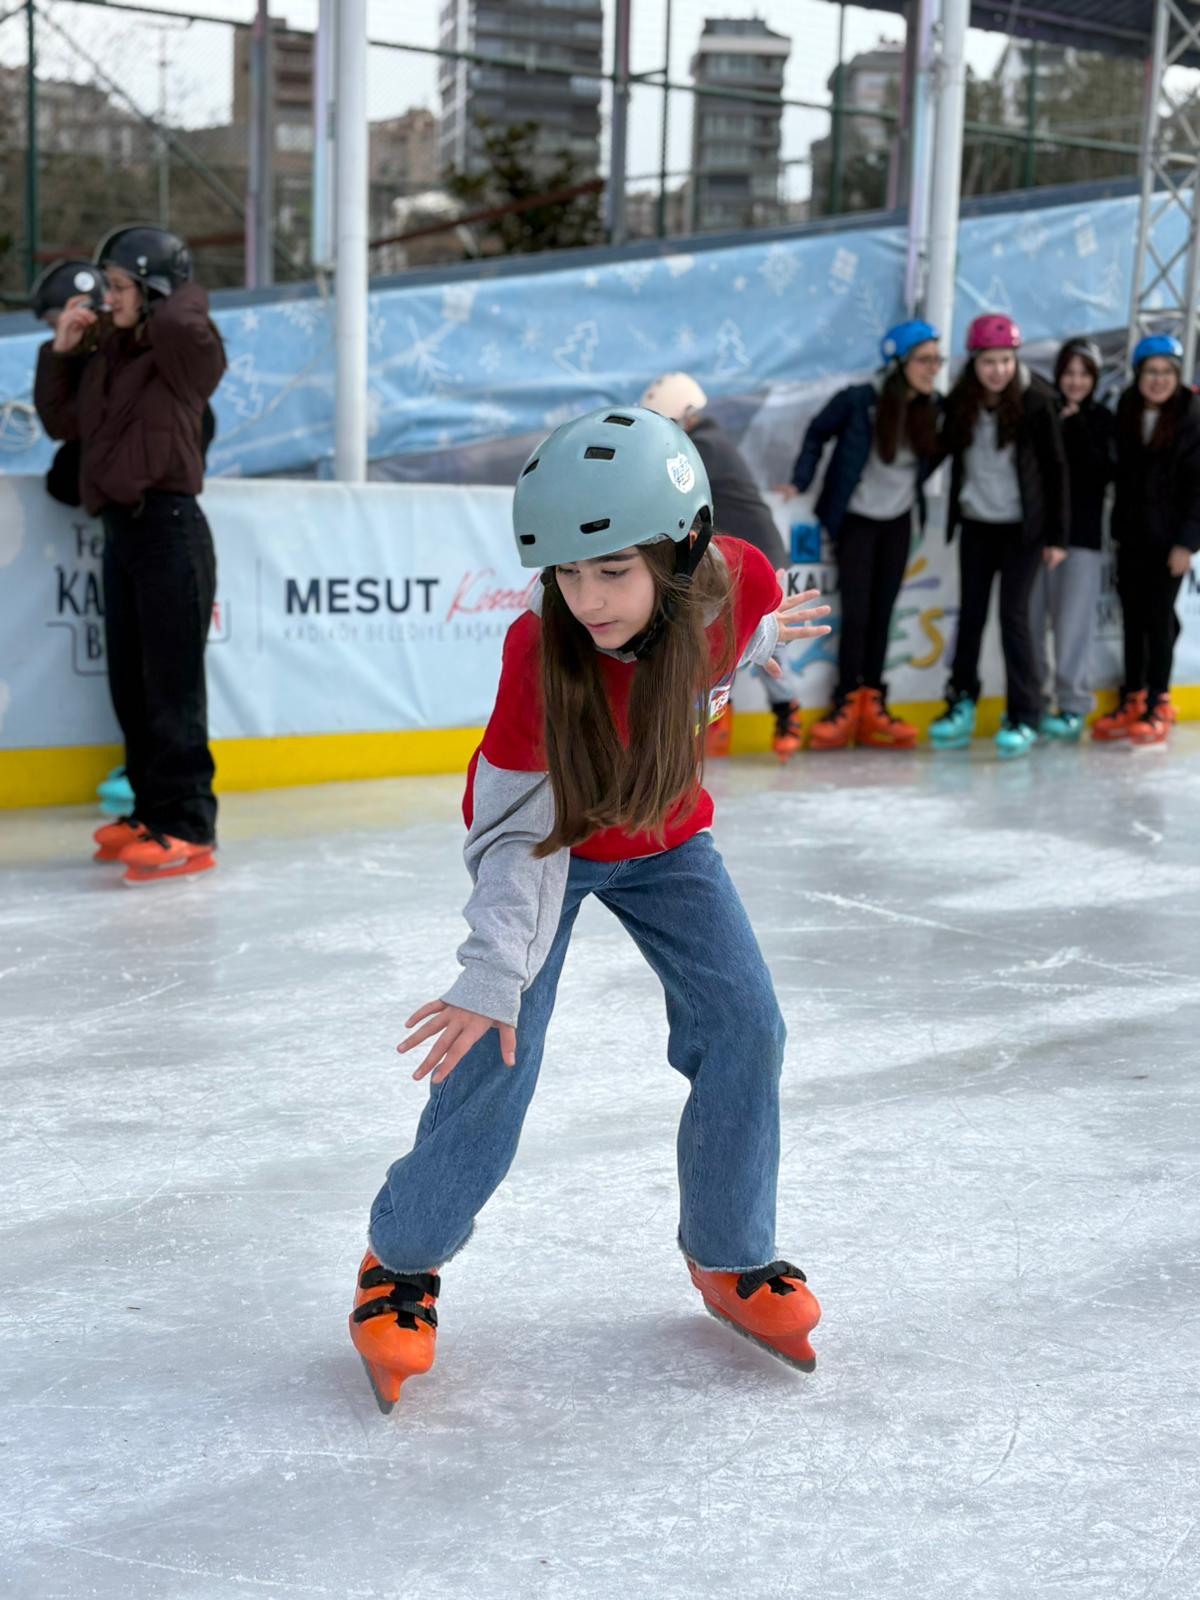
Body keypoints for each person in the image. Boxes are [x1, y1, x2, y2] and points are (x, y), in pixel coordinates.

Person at [348, 404, 832, 1412]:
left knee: (747, 1023)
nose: (587, 597)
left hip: (667, 838)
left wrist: (762, 639)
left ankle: (730, 1254)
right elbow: (516, 837)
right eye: (568, 572)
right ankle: (399, 1260)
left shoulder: (737, 583)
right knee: (497, 1048)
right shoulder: (540, 654)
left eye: (611, 570)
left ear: (682, 546)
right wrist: (491, 978)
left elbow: (716, 652)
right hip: (557, 843)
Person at [34, 223, 226, 884]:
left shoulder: (180, 351)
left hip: (171, 528)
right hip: (123, 535)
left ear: (152, 289)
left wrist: (158, 283)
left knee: (172, 689)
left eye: (119, 286)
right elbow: (67, 427)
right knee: (133, 687)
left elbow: (184, 324)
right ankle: (150, 812)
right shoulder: (115, 360)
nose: (107, 296)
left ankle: (188, 826)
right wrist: (63, 353)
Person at [780, 319, 943, 750]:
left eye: (937, 360)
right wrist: (799, 480)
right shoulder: (859, 401)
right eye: (925, 360)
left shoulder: (933, 408)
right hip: (856, 519)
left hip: (898, 521)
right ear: (899, 362)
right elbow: (817, 432)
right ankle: (846, 703)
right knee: (858, 612)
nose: (934, 369)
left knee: (883, 612)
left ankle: (874, 703)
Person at [640, 371, 805, 759]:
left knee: (767, 641)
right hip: (729, 560)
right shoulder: (707, 443)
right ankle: (717, 716)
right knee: (711, 634)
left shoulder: (704, 448)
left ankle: (786, 712)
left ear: (687, 415)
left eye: (668, 423)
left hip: (759, 559)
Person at [929, 313, 1068, 760]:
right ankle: (961, 703)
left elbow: (1055, 471)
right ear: (974, 362)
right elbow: (938, 451)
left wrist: (1057, 537)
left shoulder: (1037, 401)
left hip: (1023, 530)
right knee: (971, 615)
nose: (998, 370)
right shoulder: (961, 402)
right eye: (989, 361)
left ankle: (1024, 714)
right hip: (976, 524)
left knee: (1014, 618)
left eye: (1005, 360)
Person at [1092, 333, 1200, 745]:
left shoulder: (1192, 416)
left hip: (1169, 540)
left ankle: (1159, 700)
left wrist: (1186, 544)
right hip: (1132, 535)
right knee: (1133, 619)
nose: (1158, 380)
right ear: (1138, 375)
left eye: (1166, 372)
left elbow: (1198, 489)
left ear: (1177, 376)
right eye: (1151, 372)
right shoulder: (1127, 409)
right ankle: (1133, 696)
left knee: (1159, 620)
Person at [1029, 337, 1115, 742]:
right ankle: (1034, 698)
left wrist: (1076, 423)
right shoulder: (1043, 412)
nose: (1076, 381)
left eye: (1084, 374)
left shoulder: (1102, 420)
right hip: (1036, 538)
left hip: (1081, 540)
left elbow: (1105, 470)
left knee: (1072, 627)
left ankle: (1073, 703)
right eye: (1069, 372)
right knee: (1028, 624)